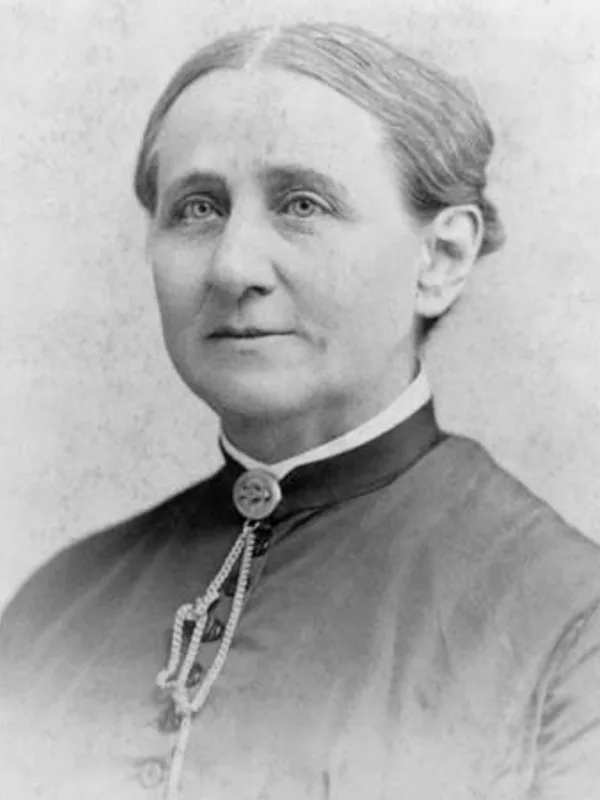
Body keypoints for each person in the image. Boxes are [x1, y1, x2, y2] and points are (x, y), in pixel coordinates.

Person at [1, 20, 599, 800]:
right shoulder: (55, 608)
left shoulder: (567, 623)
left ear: (442, 258)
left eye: (302, 204)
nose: (232, 267)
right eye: (197, 208)